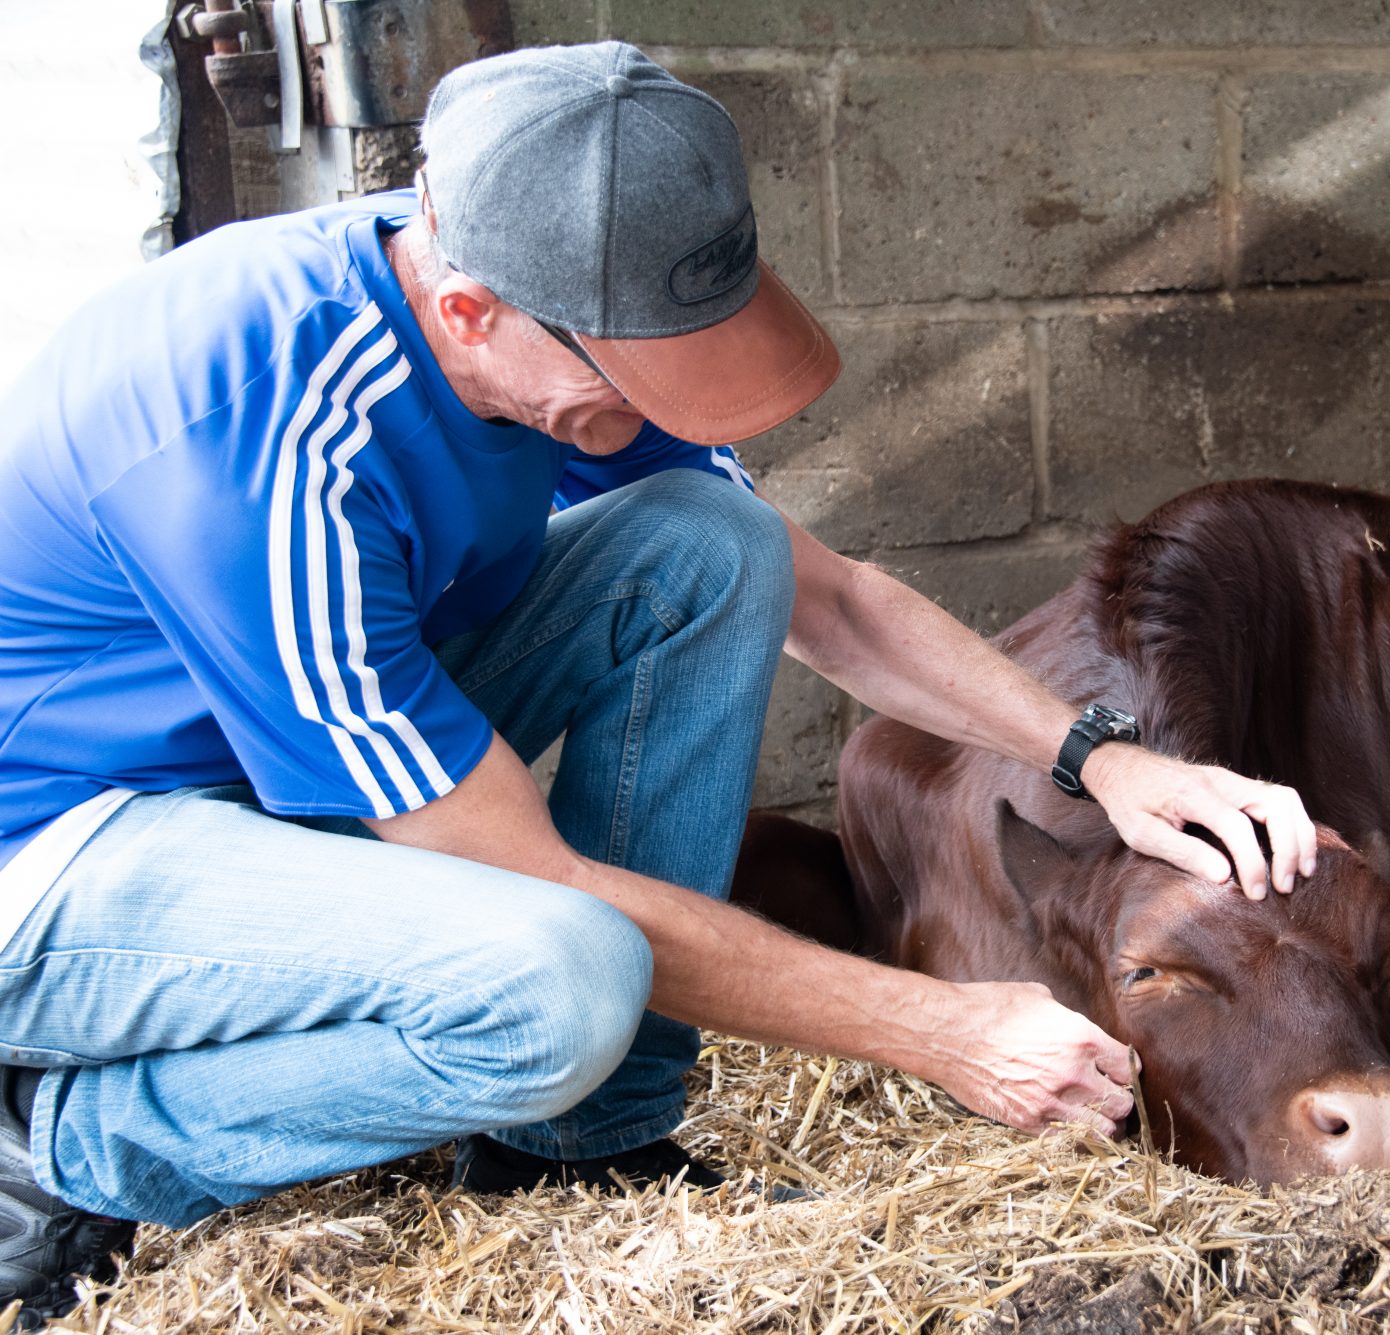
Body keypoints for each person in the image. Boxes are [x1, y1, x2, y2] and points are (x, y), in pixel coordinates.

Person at [0, 42, 1316, 1323]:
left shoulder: (509, 298)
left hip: (260, 762)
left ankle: (586, 1143)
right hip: (66, 850)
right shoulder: (264, 439)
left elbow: (833, 598)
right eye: (632, 379)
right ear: (472, 314)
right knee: (557, 981)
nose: (659, 414)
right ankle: (66, 1145)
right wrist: (939, 1029)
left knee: (714, 544)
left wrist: (1108, 759)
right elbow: (539, 886)